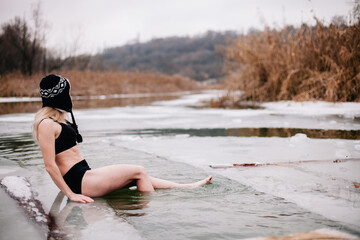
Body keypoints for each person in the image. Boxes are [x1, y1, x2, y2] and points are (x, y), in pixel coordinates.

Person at [33, 74, 212, 203]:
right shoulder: (46, 124)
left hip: (85, 176)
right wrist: (70, 194)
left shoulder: (58, 119)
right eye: (67, 92)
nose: (69, 96)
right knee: (139, 171)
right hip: (80, 182)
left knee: (138, 176)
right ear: (59, 95)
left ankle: (184, 187)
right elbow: (50, 166)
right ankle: (154, 211)